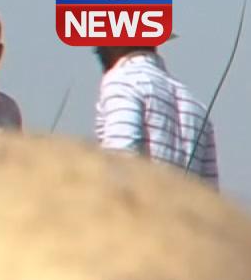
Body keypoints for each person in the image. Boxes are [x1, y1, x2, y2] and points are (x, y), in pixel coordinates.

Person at [92, 43, 219, 185]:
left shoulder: (122, 82)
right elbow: (209, 195)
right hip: (181, 199)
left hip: (141, 198)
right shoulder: (196, 107)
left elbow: (120, 161)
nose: (96, 50)